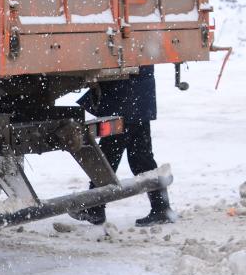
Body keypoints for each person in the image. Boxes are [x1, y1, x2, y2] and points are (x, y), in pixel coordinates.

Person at [73, 65, 176, 227]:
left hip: (124, 95)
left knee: (110, 154)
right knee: (139, 156)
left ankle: (95, 208)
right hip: (135, 95)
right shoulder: (140, 48)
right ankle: (161, 207)